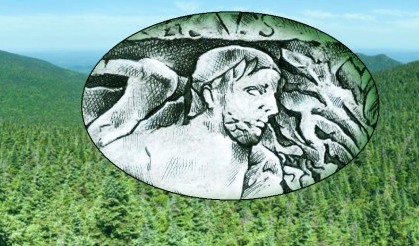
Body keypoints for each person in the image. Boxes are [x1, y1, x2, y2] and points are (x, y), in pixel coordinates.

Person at [96, 45, 282, 199]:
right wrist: (129, 111)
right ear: (210, 95)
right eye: (254, 91)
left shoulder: (261, 164)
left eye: (272, 95)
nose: (273, 108)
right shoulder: (146, 151)